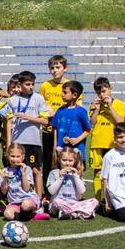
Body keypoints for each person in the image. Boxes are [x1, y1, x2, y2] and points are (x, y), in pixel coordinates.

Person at [1, 71, 50, 196]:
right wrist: (8, 143)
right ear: (20, 84)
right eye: (28, 84)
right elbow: (9, 122)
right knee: (16, 169)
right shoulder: (12, 100)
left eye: (33, 84)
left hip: (33, 141)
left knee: (35, 171)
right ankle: (16, 196)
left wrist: (28, 117)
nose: (31, 87)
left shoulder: (38, 98)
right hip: (18, 142)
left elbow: (45, 121)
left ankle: (38, 198)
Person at [87, 77, 125, 202]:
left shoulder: (119, 104)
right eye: (99, 92)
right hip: (98, 143)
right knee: (98, 172)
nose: (101, 94)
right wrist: (97, 109)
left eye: (104, 91)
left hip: (113, 143)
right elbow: (92, 122)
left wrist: (110, 107)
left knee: (113, 173)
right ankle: (97, 200)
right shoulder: (95, 105)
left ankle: (111, 199)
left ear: (110, 89)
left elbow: (121, 122)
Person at [39, 55, 71, 188]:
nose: (54, 70)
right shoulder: (45, 86)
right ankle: (47, 192)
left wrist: (57, 114)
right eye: (52, 68)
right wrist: (46, 113)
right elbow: (40, 106)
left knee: (65, 161)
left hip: (65, 132)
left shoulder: (71, 85)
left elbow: (75, 106)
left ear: (65, 68)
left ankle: (67, 190)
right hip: (48, 130)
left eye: (58, 67)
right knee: (48, 162)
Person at [47, 147, 98, 219]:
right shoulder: (54, 173)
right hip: (58, 205)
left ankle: (70, 213)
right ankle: (79, 213)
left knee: (94, 201)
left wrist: (76, 177)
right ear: (59, 160)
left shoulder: (76, 174)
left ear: (74, 161)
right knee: (57, 202)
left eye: (70, 161)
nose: (67, 163)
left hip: (74, 203)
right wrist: (60, 178)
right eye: (64, 160)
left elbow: (82, 191)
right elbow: (51, 191)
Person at [50, 81, 92, 165]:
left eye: (65, 92)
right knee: (61, 174)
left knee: (77, 174)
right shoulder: (59, 110)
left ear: (75, 95)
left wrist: (77, 139)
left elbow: (88, 129)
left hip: (77, 150)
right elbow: (55, 128)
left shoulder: (81, 111)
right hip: (61, 150)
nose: (62, 94)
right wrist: (55, 146)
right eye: (62, 92)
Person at [0, 144, 41, 221]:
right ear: (7, 156)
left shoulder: (27, 169)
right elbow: (4, 191)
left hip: (28, 199)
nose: (15, 159)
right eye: (12, 156)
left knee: (25, 205)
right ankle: (30, 216)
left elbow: (26, 189)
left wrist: (23, 174)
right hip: (14, 202)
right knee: (7, 214)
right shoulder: (4, 171)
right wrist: (5, 180)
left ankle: (32, 212)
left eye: (18, 156)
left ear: (23, 157)